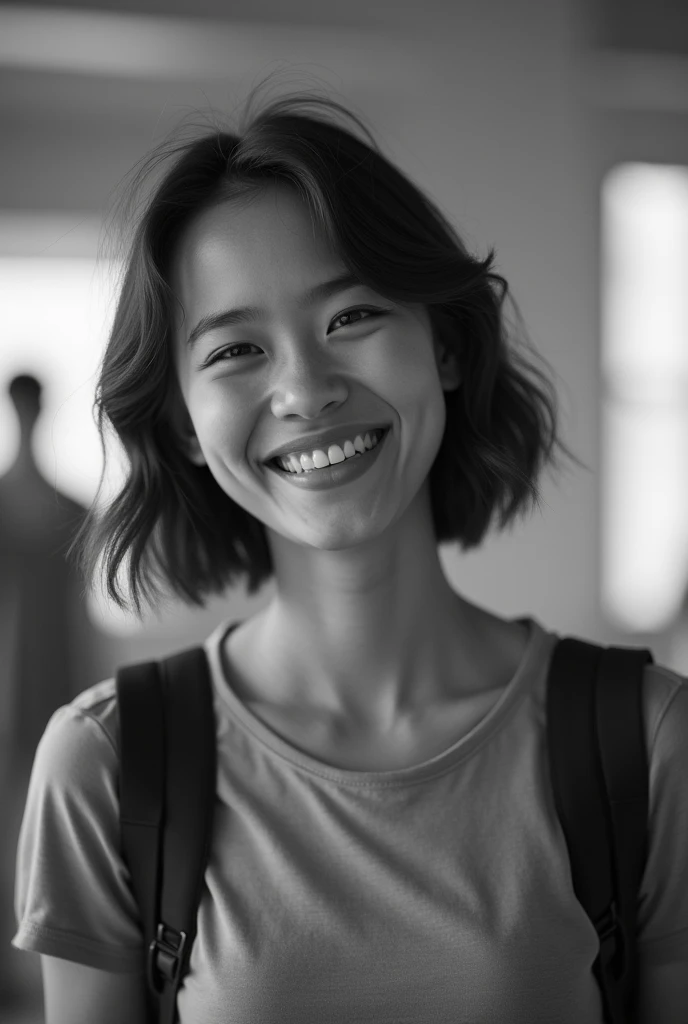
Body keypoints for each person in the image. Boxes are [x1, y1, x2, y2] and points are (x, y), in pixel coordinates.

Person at [11, 83, 688, 1024]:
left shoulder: (650, 744)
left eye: (352, 317)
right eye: (236, 350)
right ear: (184, 427)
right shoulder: (105, 767)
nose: (305, 389)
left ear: (443, 347)